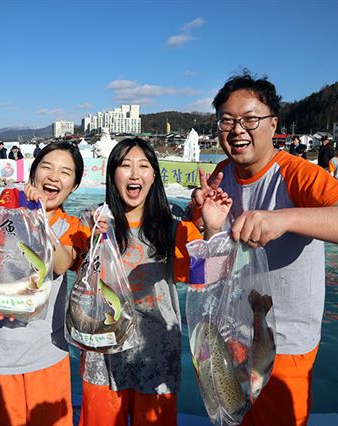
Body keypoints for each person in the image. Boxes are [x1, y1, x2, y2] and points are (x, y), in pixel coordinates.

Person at [191, 71, 338, 426]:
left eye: (250, 119)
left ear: (273, 123)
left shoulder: (297, 174)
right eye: (227, 120)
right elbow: (210, 260)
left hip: (284, 346)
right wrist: (208, 223)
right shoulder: (221, 173)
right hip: (232, 336)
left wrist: (285, 219)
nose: (237, 130)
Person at [79, 137, 227, 426]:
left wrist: (212, 226)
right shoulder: (93, 220)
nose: (135, 174)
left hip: (155, 354)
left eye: (144, 166)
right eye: (125, 165)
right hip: (102, 355)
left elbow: (202, 276)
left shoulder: (171, 223)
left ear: (154, 175)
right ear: (112, 174)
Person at [0, 141, 89, 426]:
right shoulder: (4, 209)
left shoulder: (72, 227)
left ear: (73, 186)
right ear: (33, 174)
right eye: (46, 167)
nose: (53, 177)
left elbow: (61, 264)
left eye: (65, 172)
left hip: (46, 355)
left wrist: (38, 215)